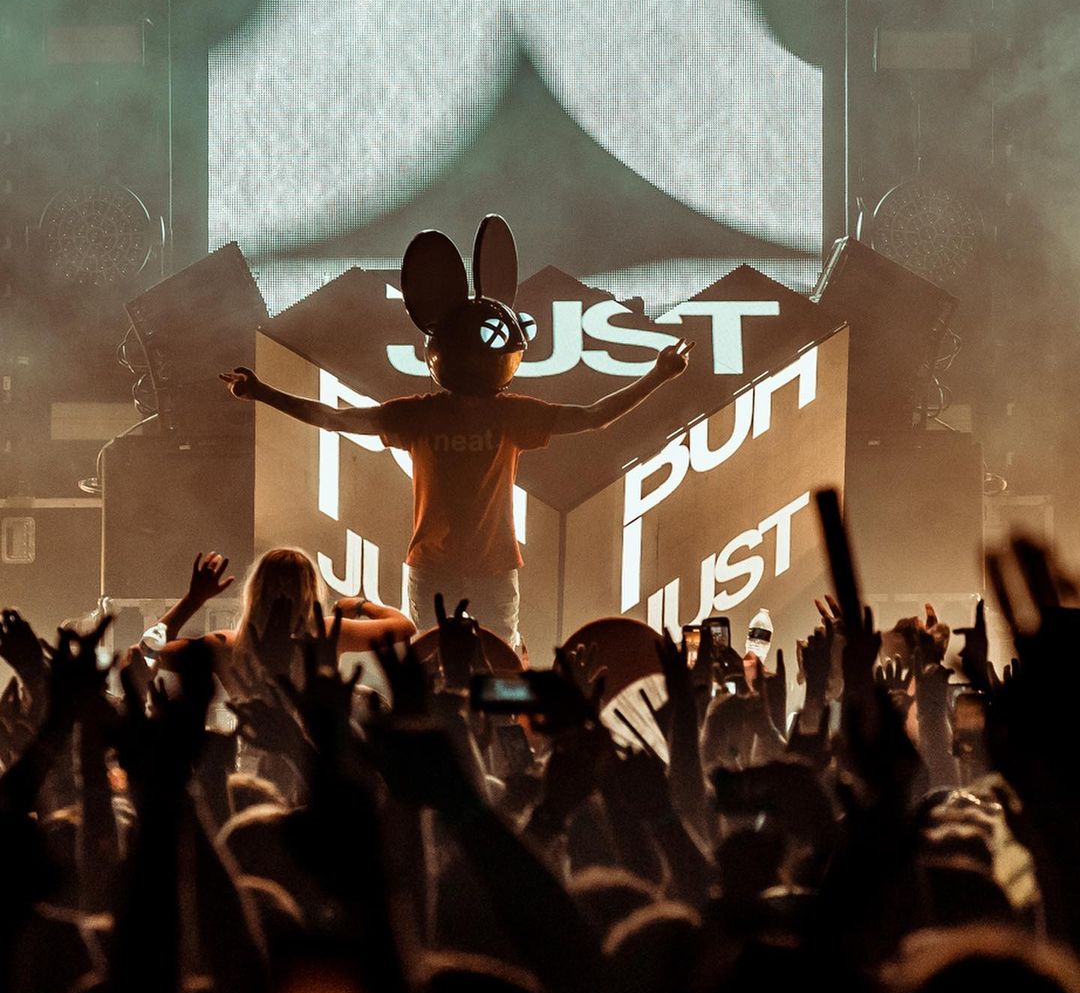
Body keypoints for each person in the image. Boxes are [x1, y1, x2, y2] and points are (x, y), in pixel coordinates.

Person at [220, 216, 693, 648]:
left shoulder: (429, 414)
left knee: (439, 662)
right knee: (490, 661)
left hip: (452, 567)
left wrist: (262, 392)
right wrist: (658, 375)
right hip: (468, 568)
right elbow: (595, 416)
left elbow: (334, 419)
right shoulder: (499, 414)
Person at [147, 547, 415, 696]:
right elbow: (405, 626)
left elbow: (146, 653)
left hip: (254, 763)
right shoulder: (327, 633)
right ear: (310, 591)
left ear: (255, 590)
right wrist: (359, 605)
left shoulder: (226, 645)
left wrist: (193, 600)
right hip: (313, 764)